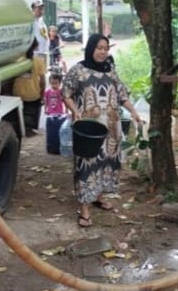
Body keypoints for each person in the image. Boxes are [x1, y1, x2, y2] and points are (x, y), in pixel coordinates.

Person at [62, 33, 142, 227]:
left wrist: (134, 112)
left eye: (105, 49)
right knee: (86, 165)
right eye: (99, 48)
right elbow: (66, 94)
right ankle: (84, 209)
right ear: (91, 48)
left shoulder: (110, 71)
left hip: (111, 129)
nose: (102, 52)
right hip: (88, 130)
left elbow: (122, 95)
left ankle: (98, 196)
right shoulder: (78, 71)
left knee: (106, 163)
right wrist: (75, 112)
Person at [13, 38, 47, 137]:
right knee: (33, 112)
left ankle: (19, 129)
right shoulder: (39, 61)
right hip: (33, 95)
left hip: (18, 93)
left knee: (20, 114)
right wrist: (42, 96)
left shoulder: (17, 60)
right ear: (36, 46)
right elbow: (43, 82)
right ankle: (30, 129)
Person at [44, 73, 66, 154]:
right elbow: (46, 101)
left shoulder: (61, 92)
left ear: (60, 83)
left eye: (56, 83)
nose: (54, 85)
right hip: (51, 113)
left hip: (59, 113)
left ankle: (58, 146)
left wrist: (66, 110)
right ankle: (51, 146)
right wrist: (45, 108)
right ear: (50, 83)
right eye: (52, 83)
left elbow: (65, 101)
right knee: (51, 130)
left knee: (59, 130)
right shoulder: (47, 92)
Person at [31, 0, 49, 64]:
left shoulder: (41, 21)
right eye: (39, 9)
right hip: (36, 53)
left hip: (44, 52)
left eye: (42, 9)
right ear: (33, 9)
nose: (41, 11)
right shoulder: (31, 21)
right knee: (38, 73)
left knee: (43, 72)